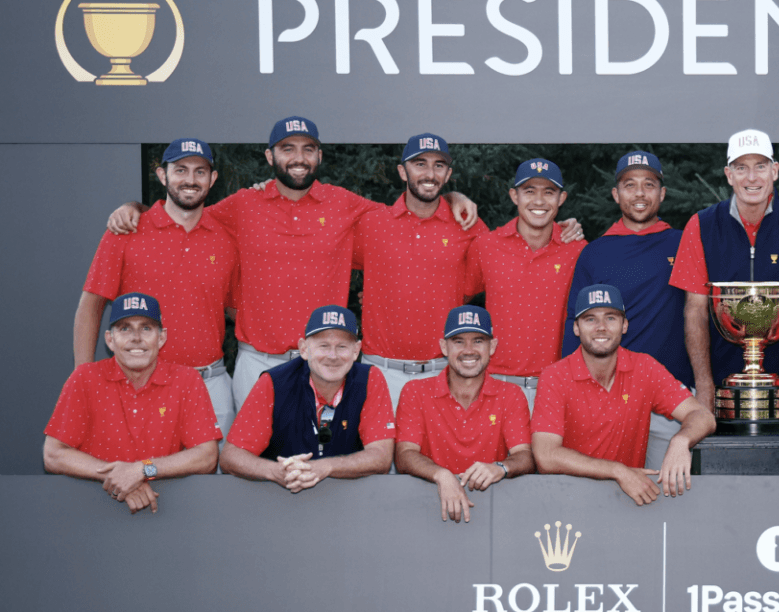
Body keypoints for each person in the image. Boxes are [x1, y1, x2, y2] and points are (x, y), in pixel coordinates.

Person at [104, 116, 480, 413]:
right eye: (287, 148)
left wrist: (452, 196)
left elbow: (412, 215)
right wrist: (135, 208)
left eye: (307, 149)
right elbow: (185, 214)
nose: (298, 158)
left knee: (323, 462)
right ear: (270, 157)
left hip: (325, 362)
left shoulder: (345, 204)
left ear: (319, 157)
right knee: (251, 464)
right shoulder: (242, 205)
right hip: (256, 363)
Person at [76, 139, 239, 437]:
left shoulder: (225, 239)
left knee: (215, 468)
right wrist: (83, 381)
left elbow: (236, 309)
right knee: (143, 467)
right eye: (180, 170)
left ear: (213, 178)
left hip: (210, 385)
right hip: (140, 384)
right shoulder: (126, 231)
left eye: (200, 171)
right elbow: (91, 307)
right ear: (162, 175)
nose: (190, 180)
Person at [669, 129, 779, 416]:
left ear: (774, 171)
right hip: (721, 389)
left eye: (760, 166)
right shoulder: (701, 225)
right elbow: (695, 311)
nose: (752, 178)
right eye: (741, 168)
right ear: (729, 175)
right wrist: (704, 387)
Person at [561, 151, 692, 470]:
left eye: (649, 184)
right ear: (616, 194)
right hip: (606, 400)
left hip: (671, 401)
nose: (639, 193)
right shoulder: (594, 252)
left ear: (662, 193)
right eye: (629, 185)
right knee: (607, 490)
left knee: (665, 491)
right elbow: (574, 325)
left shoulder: (686, 243)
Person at [531, 285, 715, 506]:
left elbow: (703, 415)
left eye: (610, 318)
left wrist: (681, 441)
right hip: (567, 500)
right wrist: (618, 471)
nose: (601, 327)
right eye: (590, 319)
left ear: (624, 325)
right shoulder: (555, 376)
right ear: (576, 328)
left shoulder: (644, 368)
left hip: (626, 501)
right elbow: (546, 456)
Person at [44, 293, 220, 514]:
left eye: (146, 328)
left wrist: (143, 470)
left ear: (161, 337)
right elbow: (53, 454)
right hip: (89, 507)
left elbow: (207, 456)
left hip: (166, 508)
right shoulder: (85, 378)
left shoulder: (186, 380)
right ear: (110, 339)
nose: (136, 338)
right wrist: (118, 476)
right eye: (125, 328)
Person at [353, 133, 489, 411]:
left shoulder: (468, 224)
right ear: (402, 171)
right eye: (420, 164)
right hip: (380, 371)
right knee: (376, 442)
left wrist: (562, 231)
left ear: (448, 174)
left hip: (442, 372)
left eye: (439, 165)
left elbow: (504, 264)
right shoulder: (371, 224)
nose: (429, 174)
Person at [220, 305, 395, 492]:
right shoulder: (274, 382)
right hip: (280, 496)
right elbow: (231, 456)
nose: (333, 356)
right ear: (304, 349)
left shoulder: (370, 379)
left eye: (342, 346)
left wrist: (325, 467)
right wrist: (275, 471)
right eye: (323, 346)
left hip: (350, 495)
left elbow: (381, 456)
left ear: (356, 351)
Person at [396, 305, 533, 523]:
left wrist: (501, 468)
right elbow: (404, 455)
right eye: (458, 341)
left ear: (492, 346)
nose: (468, 350)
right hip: (425, 507)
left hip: (495, 512)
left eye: (478, 341)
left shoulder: (511, 395)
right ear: (444, 346)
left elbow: (525, 455)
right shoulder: (415, 392)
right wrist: (442, 475)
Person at [473, 158, 588, 412]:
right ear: (514, 196)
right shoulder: (486, 246)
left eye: (548, 192)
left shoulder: (578, 251)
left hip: (557, 386)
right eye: (529, 191)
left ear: (561, 198)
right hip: (496, 384)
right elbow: (455, 292)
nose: (538, 201)